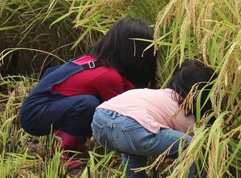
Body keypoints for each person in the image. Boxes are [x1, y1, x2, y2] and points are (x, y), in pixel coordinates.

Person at [18, 17, 159, 169]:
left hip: (38, 107)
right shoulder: (108, 76)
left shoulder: (94, 62)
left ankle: (75, 143)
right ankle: (62, 153)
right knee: (90, 104)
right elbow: (124, 113)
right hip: (34, 114)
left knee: (91, 102)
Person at [92, 60, 215, 178]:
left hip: (100, 121)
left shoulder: (156, 94)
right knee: (188, 145)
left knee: (133, 150)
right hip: (129, 126)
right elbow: (193, 143)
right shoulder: (184, 111)